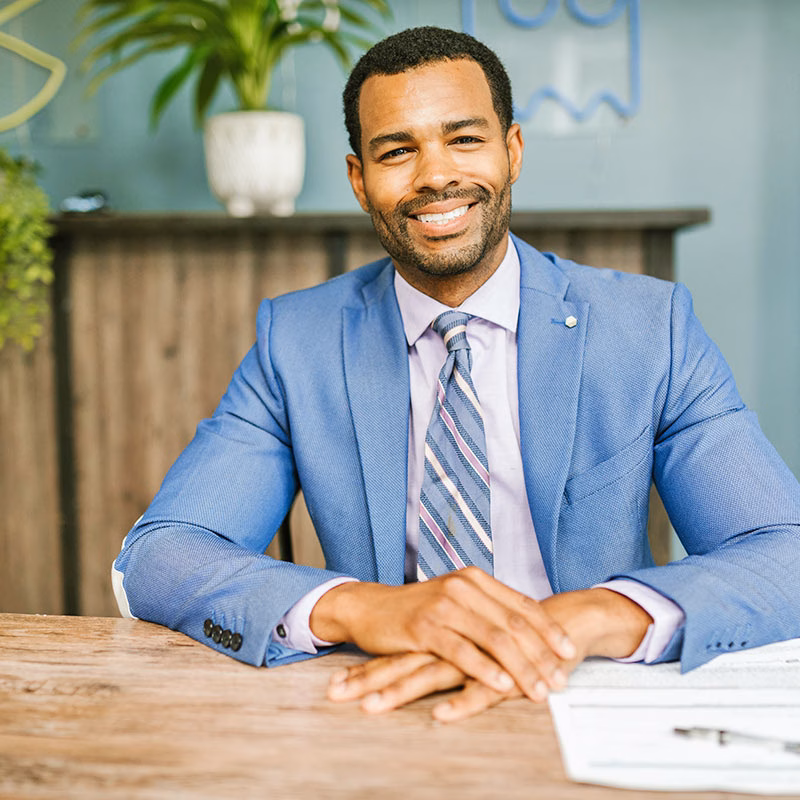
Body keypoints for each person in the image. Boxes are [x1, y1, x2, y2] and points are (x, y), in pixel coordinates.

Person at [113, 26, 800, 723]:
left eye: (464, 139)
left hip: (589, 696)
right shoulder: (296, 342)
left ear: (513, 151)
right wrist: (365, 609)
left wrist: (587, 617)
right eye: (397, 150)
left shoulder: (651, 328)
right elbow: (159, 556)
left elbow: (786, 554)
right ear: (359, 180)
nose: (435, 175)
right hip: (385, 705)